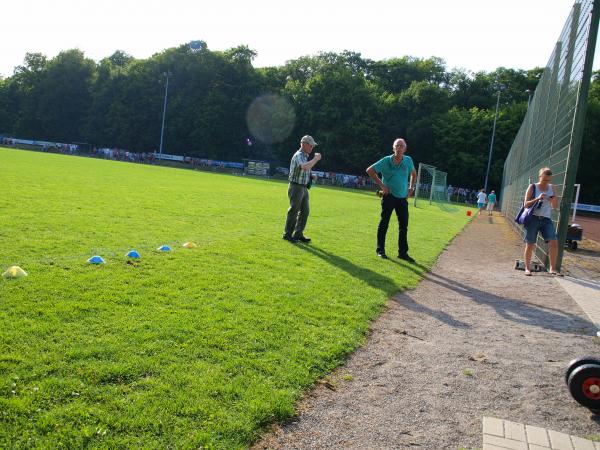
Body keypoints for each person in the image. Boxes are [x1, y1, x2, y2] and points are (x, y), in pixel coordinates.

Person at [366, 138, 417, 262]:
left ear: (405, 149)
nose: (399, 148)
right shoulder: (385, 161)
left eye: (401, 146)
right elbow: (370, 170)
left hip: (402, 198)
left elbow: (413, 174)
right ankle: (380, 250)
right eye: (397, 146)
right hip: (389, 196)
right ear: (393, 148)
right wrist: (382, 186)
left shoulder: (408, 160)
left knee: (404, 226)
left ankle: (403, 253)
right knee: (384, 223)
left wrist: (411, 187)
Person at [522, 167, 562, 276]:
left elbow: (554, 206)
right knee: (530, 244)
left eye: (548, 180)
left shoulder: (552, 187)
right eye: (544, 180)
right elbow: (525, 204)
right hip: (533, 218)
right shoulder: (532, 187)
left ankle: (552, 269)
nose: (546, 183)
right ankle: (527, 268)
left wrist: (551, 199)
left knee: (554, 242)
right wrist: (537, 198)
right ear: (540, 177)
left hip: (546, 219)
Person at [282, 135, 322, 243]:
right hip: (296, 187)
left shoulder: (305, 156)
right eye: (310, 145)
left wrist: (311, 175)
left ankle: (298, 234)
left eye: (313, 145)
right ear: (303, 144)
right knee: (294, 211)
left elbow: (305, 170)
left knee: (305, 211)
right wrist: (316, 159)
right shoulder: (299, 155)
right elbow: (304, 167)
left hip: (303, 188)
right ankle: (287, 234)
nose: (312, 147)